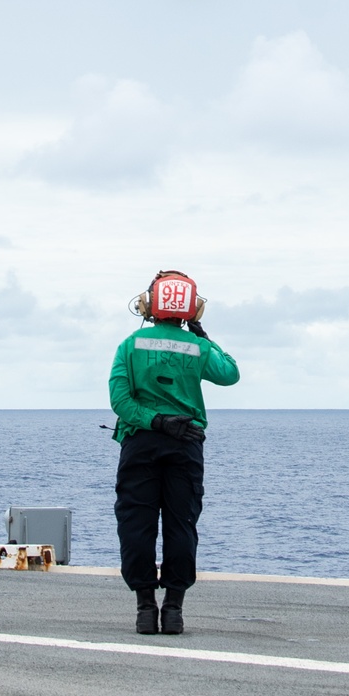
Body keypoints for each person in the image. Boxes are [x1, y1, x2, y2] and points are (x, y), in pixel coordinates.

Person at [108, 270, 239, 636]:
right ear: (191, 309)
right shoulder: (197, 348)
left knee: (137, 523)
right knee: (182, 524)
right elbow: (230, 374)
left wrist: (156, 421)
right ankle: (175, 610)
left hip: (141, 443)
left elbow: (121, 402)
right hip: (186, 445)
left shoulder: (130, 345)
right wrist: (205, 338)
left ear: (149, 304)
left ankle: (145, 608)